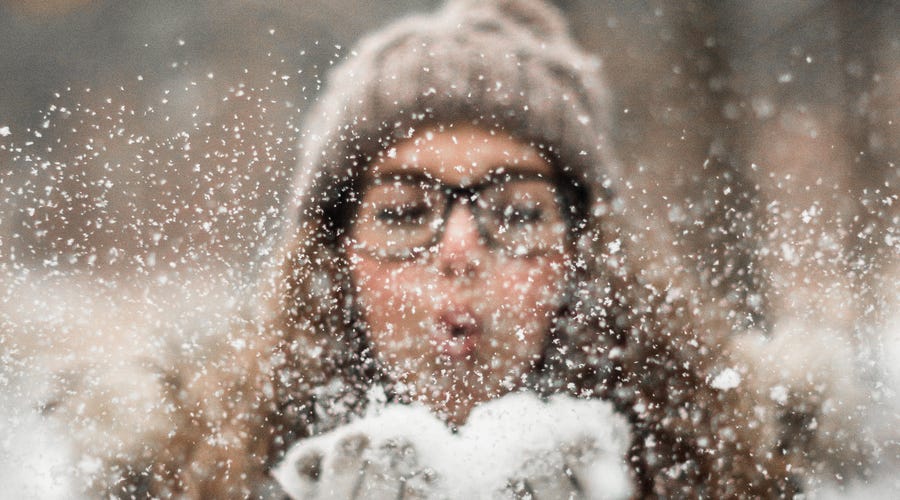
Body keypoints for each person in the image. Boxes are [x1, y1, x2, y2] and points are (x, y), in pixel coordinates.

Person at [54, 0, 796, 497]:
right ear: (333, 255)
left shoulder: (748, 470)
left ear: (586, 255)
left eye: (516, 211)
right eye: (407, 211)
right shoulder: (179, 478)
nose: (461, 249)